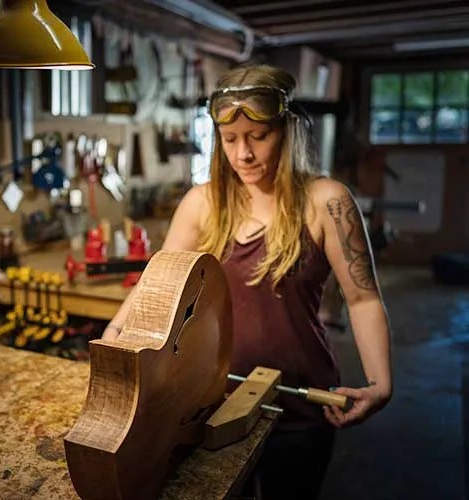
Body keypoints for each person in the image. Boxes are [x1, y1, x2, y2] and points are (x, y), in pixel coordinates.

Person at [102, 64, 393, 500]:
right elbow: (155, 287)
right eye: (230, 139)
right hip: (209, 403)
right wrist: (113, 341)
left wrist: (380, 381)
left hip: (300, 402)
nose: (244, 155)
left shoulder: (327, 201)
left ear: (288, 131)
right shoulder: (203, 203)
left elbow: (363, 298)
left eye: (258, 137)